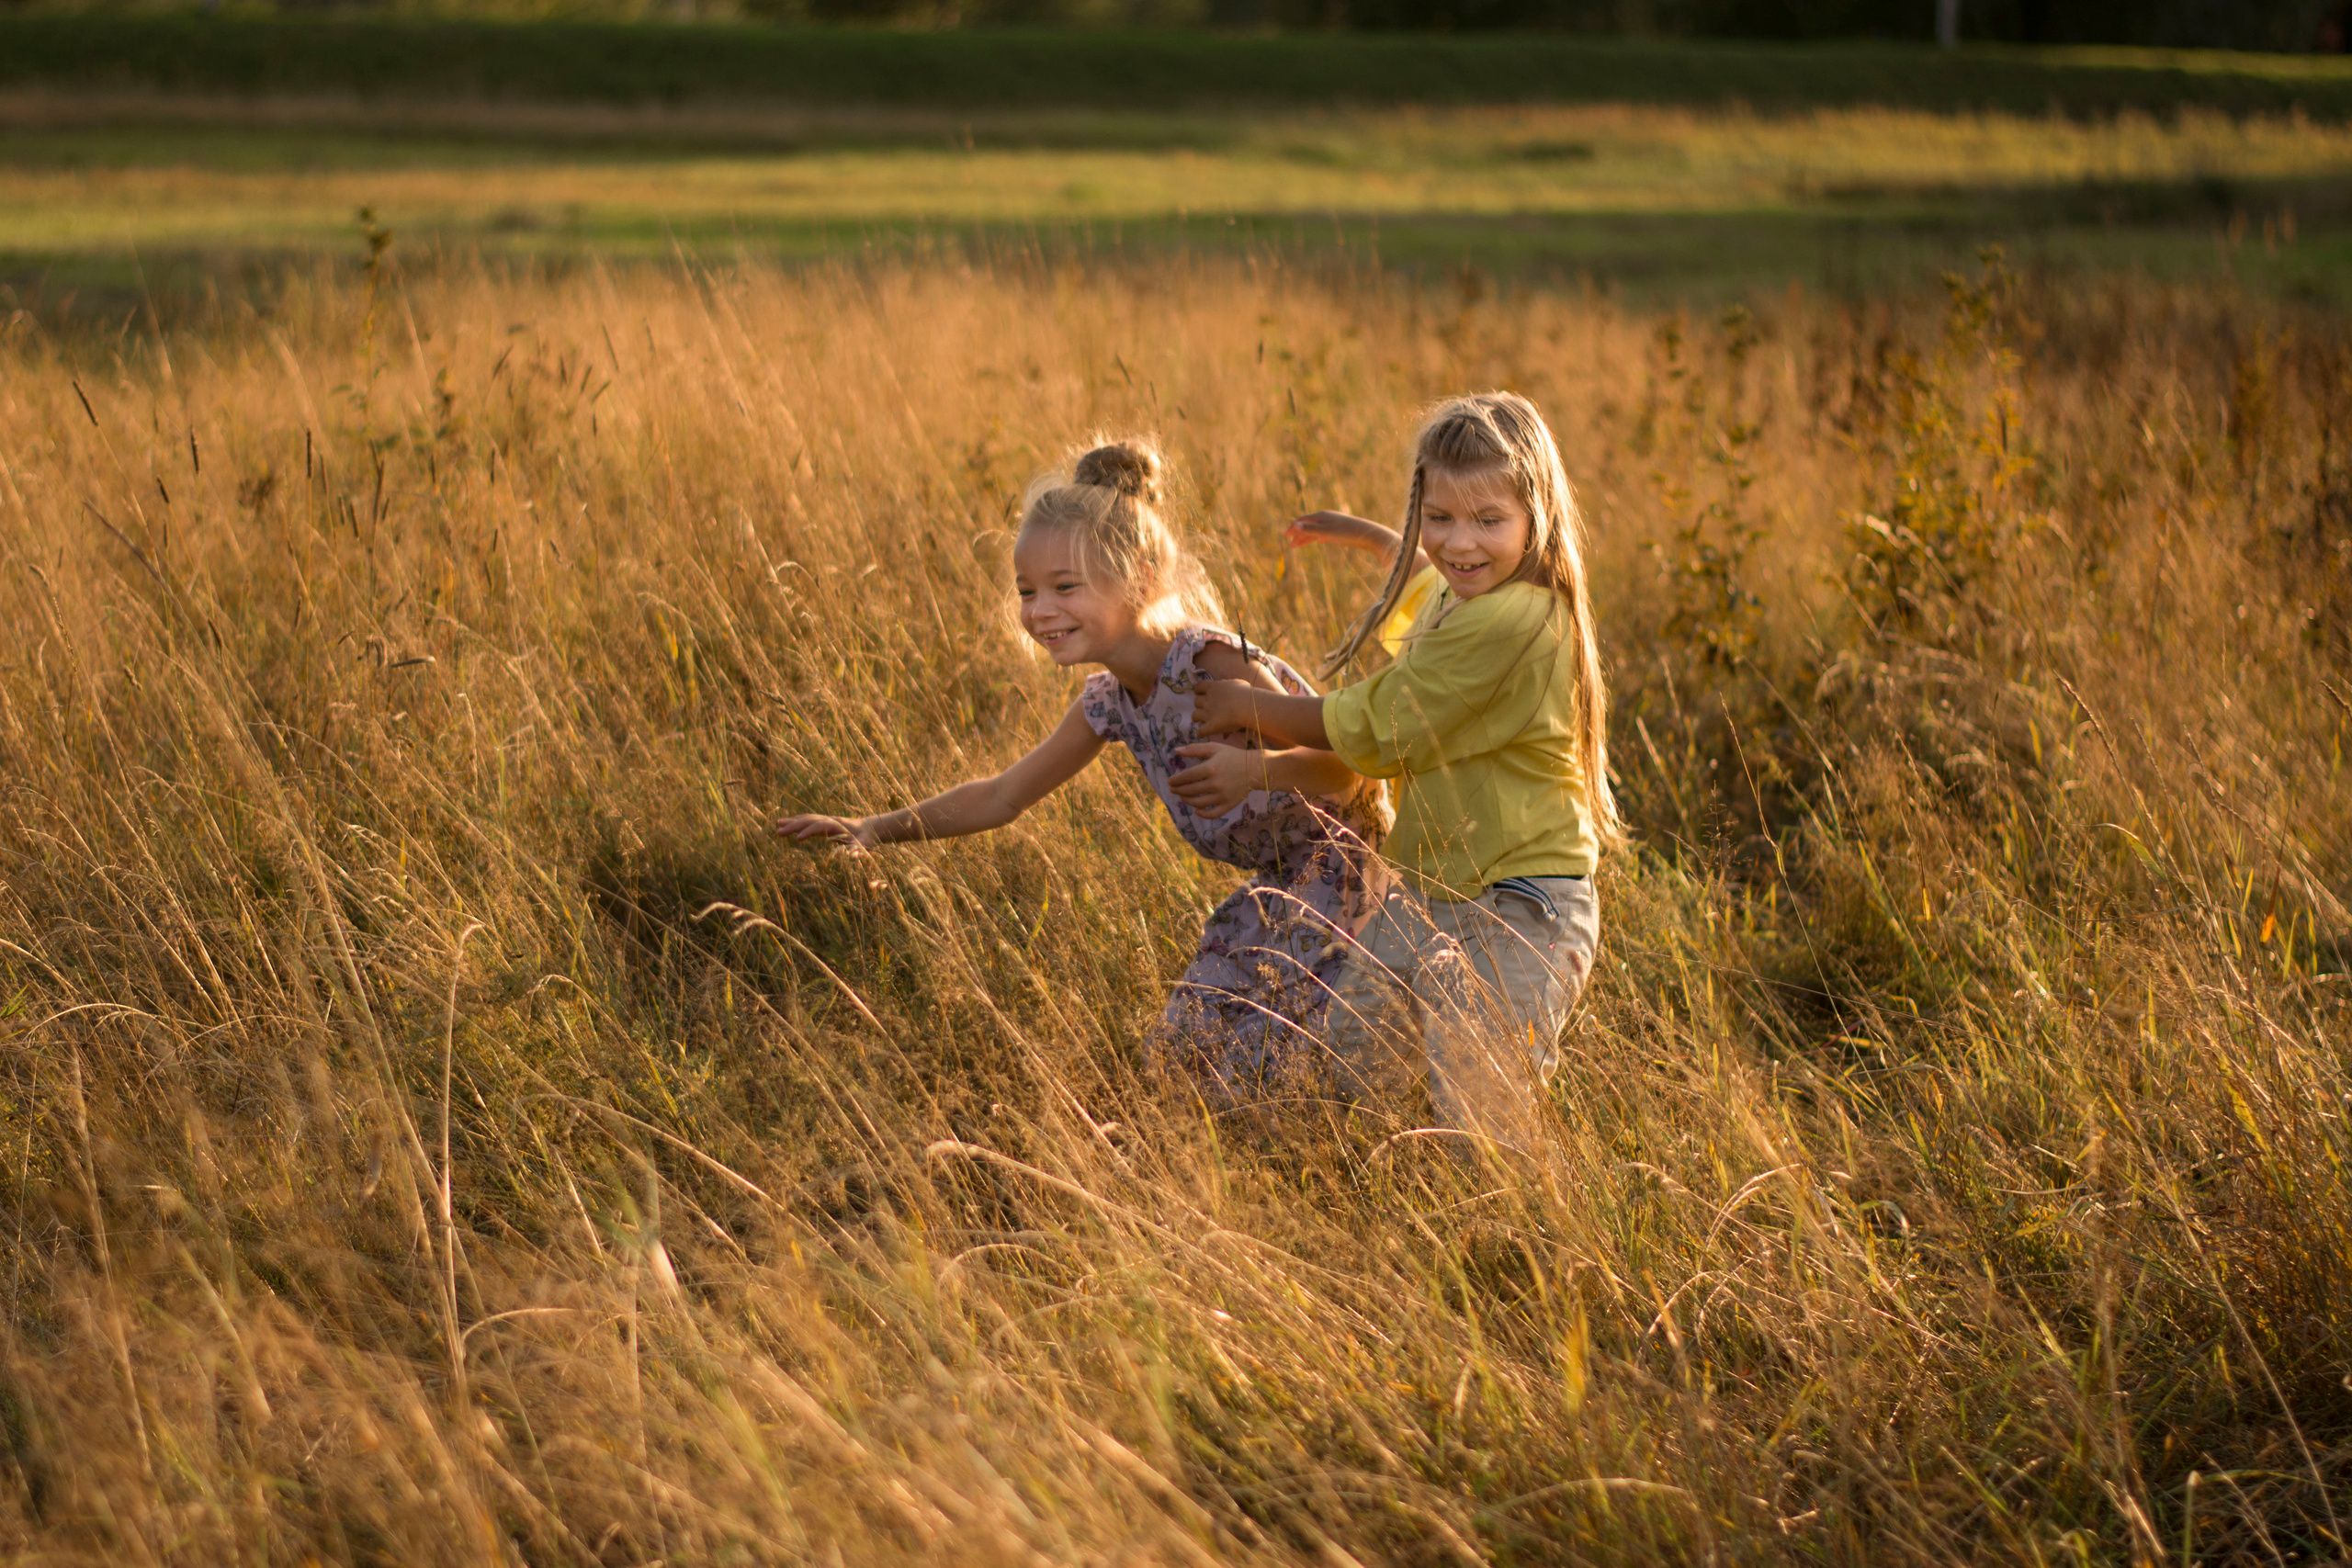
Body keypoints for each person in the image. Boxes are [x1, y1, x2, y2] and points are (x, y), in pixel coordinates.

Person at [775, 438, 1387, 1096]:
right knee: (1176, 1058)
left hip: (1351, 874)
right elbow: (1003, 795)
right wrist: (874, 827)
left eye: (1065, 587)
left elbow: (1350, 770)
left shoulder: (1212, 663)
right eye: (1027, 591)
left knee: (1264, 1076)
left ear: (1141, 581)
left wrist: (1252, 771)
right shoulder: (1109, 703)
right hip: (1278, 890)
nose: (1039, 610)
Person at [1192, 393, 1618, 1152]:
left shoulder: (1517, 621)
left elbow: (1379, 724)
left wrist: (1251, 716)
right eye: (1439, 515)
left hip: (1520, 904)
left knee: (1483, 1120)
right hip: (1433, 895)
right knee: (1359, 1065)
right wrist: (1370, 536)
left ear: (1538, 516)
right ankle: (1392, 1204)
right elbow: (1432, 586)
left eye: (1489, 520)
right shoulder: (1472, 592)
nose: (1460, 542)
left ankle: (1528, 1222)